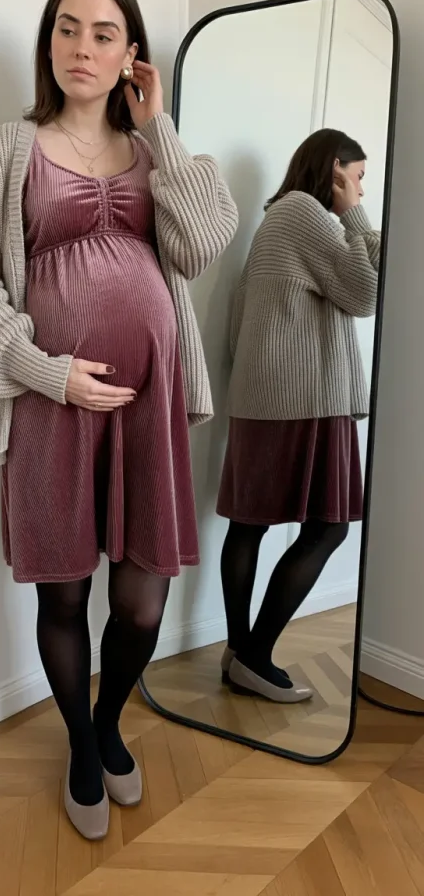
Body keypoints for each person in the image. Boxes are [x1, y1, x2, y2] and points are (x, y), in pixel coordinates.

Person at [0, 0, 238, 840]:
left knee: (143, 601)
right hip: (52, 408)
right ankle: (81, 746)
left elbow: (202, 245)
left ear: (131, 54)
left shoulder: (156, 154)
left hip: (149, 410)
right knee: (66, 598)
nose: (81, 47)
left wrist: (162, 129)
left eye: (103, 33)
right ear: (48, 43)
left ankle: (108, 723)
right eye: (67, 28)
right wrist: (47, 371)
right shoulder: (9, 148)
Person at [217, 129, 380, 703]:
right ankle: (254, 657)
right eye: (357, 177)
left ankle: (240, 653)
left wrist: (354, 221)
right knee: (328, 527)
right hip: (305, 398)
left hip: (268, 398)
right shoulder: (308, 214)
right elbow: (367, 293)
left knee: (249, 525)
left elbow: (240, 322)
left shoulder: (279, 218)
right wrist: (354, 215)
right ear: (334, 169)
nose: (361, 190)